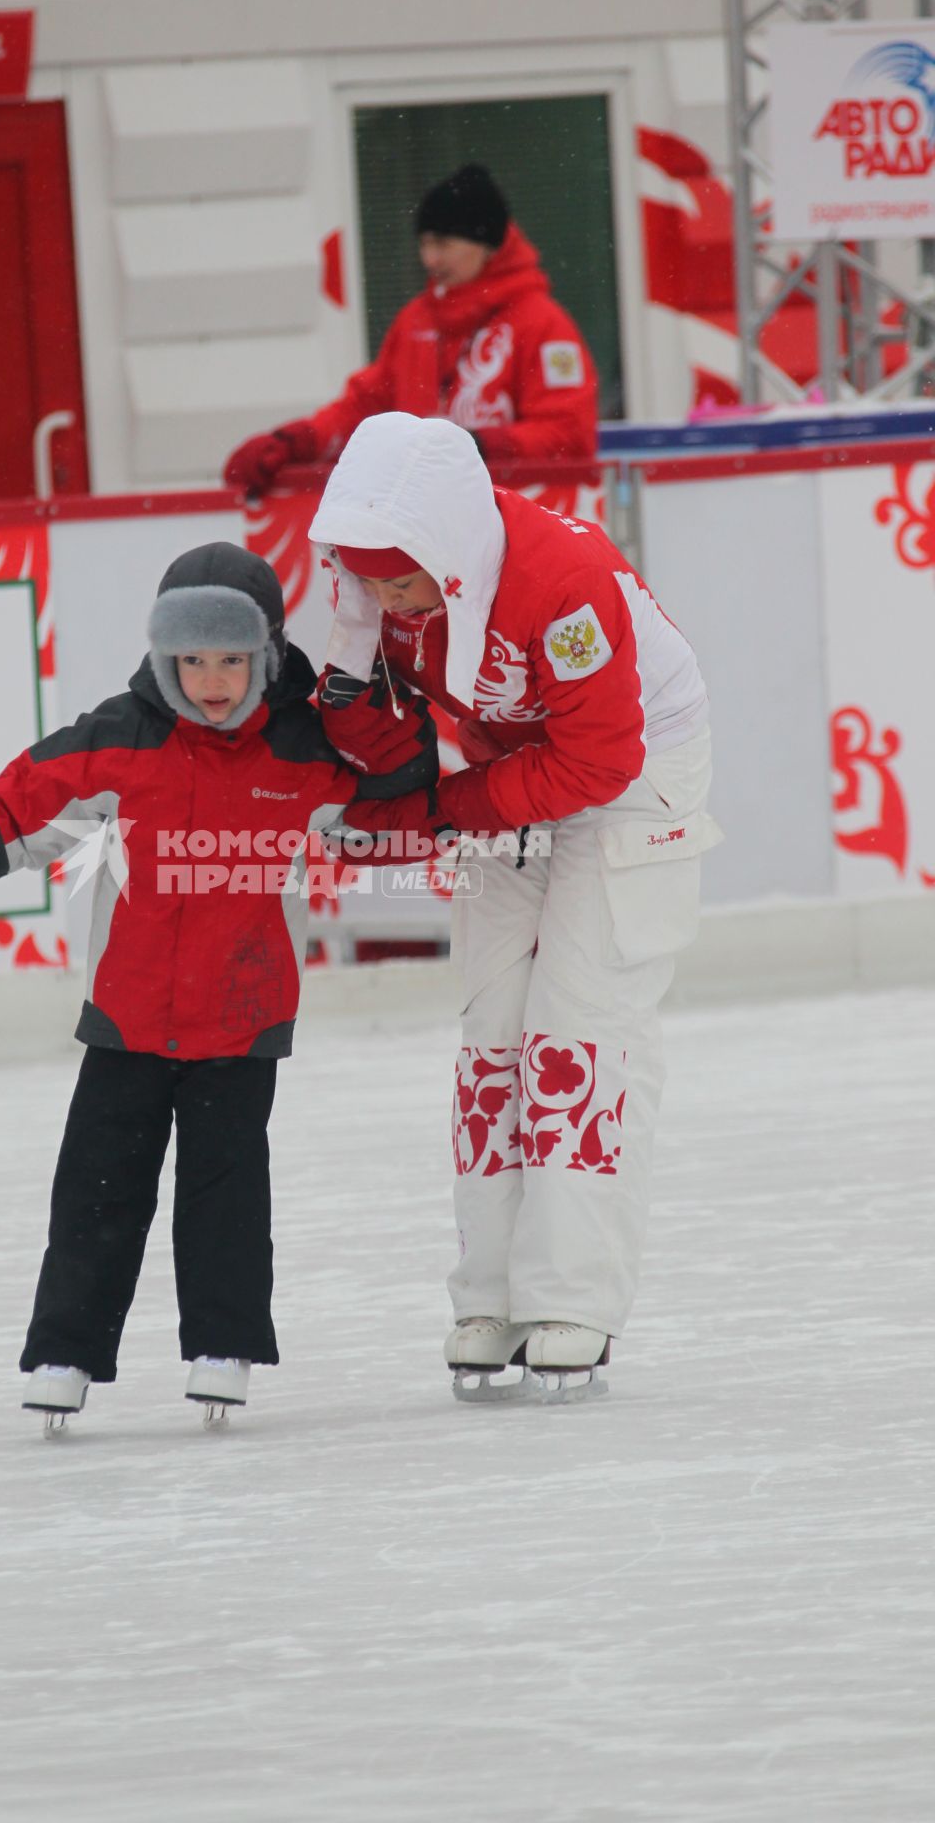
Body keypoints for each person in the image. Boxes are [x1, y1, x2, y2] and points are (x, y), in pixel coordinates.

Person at [0, 541, 436, 1427]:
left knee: (226, 1197)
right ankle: (67, 1355)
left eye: (232, 659)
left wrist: (464, 786)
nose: (213, 680)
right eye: (193, 660)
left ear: (265, 655)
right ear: (164, 657)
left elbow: (399, 799)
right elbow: (13, 812)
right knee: (96, 1195)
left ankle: (223, 1346)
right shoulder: (116, 739)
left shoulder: (306, 751)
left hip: (243, 1017)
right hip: (127, 1018)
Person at [310, 413, 722, 1399]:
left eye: (398, 578)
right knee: (492, 1040)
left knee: (575, 1032)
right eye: (365, 578)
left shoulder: (559, 582)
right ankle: (487, 1295)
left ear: (448, 547)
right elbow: (379, 733)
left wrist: (440, 813)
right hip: (509, 780)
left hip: (631, 778)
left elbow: (596, 758)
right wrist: (360, 742)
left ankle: (572, 1300)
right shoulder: (375, 593)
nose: (383, 596)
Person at [223, 163, 598, 498]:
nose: (430, 260)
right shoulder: (416, 321)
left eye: (444, 244)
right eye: (424, 243)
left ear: (487, 245)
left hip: (511, 517)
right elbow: (363, 409)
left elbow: (569, 437)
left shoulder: (543, 325)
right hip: (420, 522)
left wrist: (476, 446)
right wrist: (296, 441)